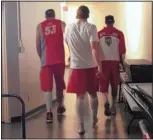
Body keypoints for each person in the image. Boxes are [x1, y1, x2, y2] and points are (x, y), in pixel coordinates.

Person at [65, 5, 102, 134]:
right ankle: (94, 118)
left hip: (76, 66)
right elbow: (94, 48)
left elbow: (68, 43)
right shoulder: (91, 27)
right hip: (90, 66)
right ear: (88, 15)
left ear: (77, 14)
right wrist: (99, 65)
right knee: (93, 93)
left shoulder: (69, 27)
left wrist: (73, 56)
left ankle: (80, 126)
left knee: (79, 97)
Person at [36, 9, 66, 123]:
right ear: (54, 15)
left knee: (47, 87)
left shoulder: (39, 26)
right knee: (59, 83)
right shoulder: (61, 24)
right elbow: (68, 38)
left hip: (46, 62)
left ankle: (49, 112)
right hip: (59, 60)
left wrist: (42, 57)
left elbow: (37, 45)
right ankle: (60, 105)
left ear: (45, 16)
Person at [98, 15, 126, 116]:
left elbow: (95, 50)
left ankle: (106, 101)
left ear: (105, 22)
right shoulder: (119, 34)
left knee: (103, 84)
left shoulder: (99, 34)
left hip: (103, 63)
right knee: (114, 85)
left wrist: (97, 64)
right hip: (115, 62)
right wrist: (122, 64)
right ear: (113, 22)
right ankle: (113, 106)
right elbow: (122, 52)